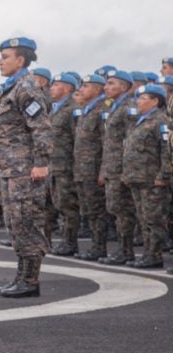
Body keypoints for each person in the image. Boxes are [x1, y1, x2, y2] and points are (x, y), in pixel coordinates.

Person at [0, 38, 52, 297]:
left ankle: (30, 281)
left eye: (5, 56)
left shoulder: (27, 88)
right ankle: (22, 277)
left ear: (20, 60)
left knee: (27, 222)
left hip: (25, 170)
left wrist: (41, 163)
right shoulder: (13, 88)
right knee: (16, 223)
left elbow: (41, 127)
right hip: (11, 169)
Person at [122, 85, 170, 268]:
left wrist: (163, 175)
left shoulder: (160, 121)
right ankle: (149, 253)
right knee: (143, 218)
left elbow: (166, 151)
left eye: (143, 98)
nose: (138, 102)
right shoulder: (139, 121)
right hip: (138, 178)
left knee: (154, 218)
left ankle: (155, 254)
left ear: (155, 101)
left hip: (152, 179)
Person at [97, 69, 137, 265]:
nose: (106, 87)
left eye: (112, 83)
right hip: (112, 167)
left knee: (124, 211)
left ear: (125, 86)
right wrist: (105, 169)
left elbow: (131, 142)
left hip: (122, 168)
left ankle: (126, 250)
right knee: (115, 209)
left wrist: (126, 171)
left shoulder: (129, 108)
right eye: (106, 83)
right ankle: (123, 249)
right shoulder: (113, 107)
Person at [72, 74, 109, 260]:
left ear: (96, 89)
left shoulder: (102, 110)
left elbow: (106, 143)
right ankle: (95, 246)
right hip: (82, 170)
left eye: (86, 86)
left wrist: (103, 170)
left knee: (97, 211)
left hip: (94, 170)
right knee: (88, 210)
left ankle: (99, 247)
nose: (81, 89)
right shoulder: (86, 109)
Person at [48, 72, 82, 256]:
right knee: (58, 204)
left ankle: (70, 242)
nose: (52, 88)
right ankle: (63, 240)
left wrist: (75, 165)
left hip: (66, 165)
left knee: (68, 206)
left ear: (68, 88)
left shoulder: (72, 109)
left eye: (56, 85)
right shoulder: (55, 108)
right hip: (54, 165)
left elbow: (78, 140)